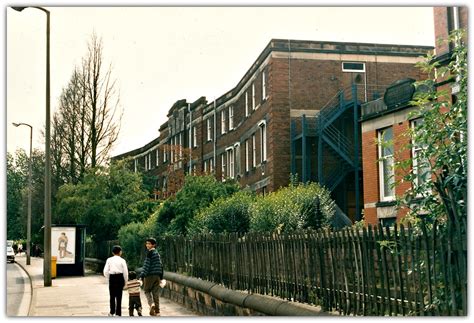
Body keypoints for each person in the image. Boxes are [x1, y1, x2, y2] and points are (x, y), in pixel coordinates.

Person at [139, 238, 163, 316]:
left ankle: (151, 304)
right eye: (146, 243)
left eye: (149, 244)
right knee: (156, 294)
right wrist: (161, 277)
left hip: (149, 276)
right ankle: (157, 311)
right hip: (157, 276)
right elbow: (161, 265)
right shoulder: (157, 253)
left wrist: (142, 275)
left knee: (146, 291)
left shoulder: (150, 253)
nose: (147, 245)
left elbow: (146, 265)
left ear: (153, 245)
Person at [103, 245, 129, 317]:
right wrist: (126, 281)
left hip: (112, 277)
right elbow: (125, 272)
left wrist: (109, 277)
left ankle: (111, 312)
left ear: (112, 252)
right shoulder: (122, 260)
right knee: (119, 296)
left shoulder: (109, 260)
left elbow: (105, 271)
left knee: (112, 296)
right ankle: (118, 313)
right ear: (120, 252)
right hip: (120, 277)